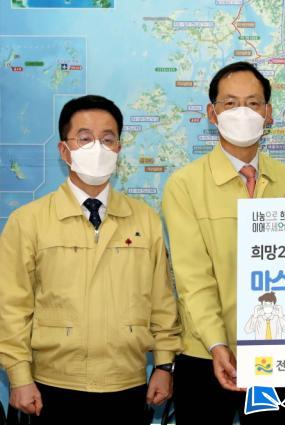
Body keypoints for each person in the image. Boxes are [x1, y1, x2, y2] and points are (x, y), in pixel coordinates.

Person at [0, 95, 182, 424]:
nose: (97, 148)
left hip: (126, 383)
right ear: (64, 150)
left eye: (107, 139)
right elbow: (12, 307)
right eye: (84, 138)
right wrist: (18, 376)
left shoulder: (145, 220)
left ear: (118, 149)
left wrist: (164, 365)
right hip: (52, 384)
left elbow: (162, 303)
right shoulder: (28, 221)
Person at [162, 61, 285, 424]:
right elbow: (193, 278)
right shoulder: (184, 185)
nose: (242, 112)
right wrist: (218, 344)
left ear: (268, 114)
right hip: (205, 354)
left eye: (253, 103)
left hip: (277, 355)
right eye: (230, 103)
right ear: (212, 113)